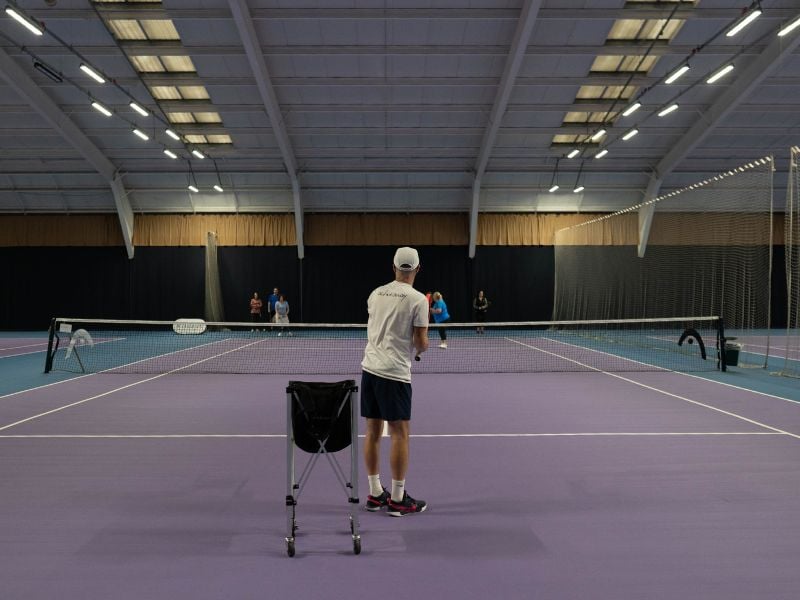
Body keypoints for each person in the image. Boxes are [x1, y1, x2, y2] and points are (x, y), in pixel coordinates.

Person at [361, 247, 429, 517]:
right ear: (417, 270)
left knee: (372, 432)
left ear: (393, 268)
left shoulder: (375, 293)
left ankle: (376, 493)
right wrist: (424, 347)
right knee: (400, 434)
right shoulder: (418, 300)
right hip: (395, 374)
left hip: (370, 370)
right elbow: (420, 343)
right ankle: (398, 499)